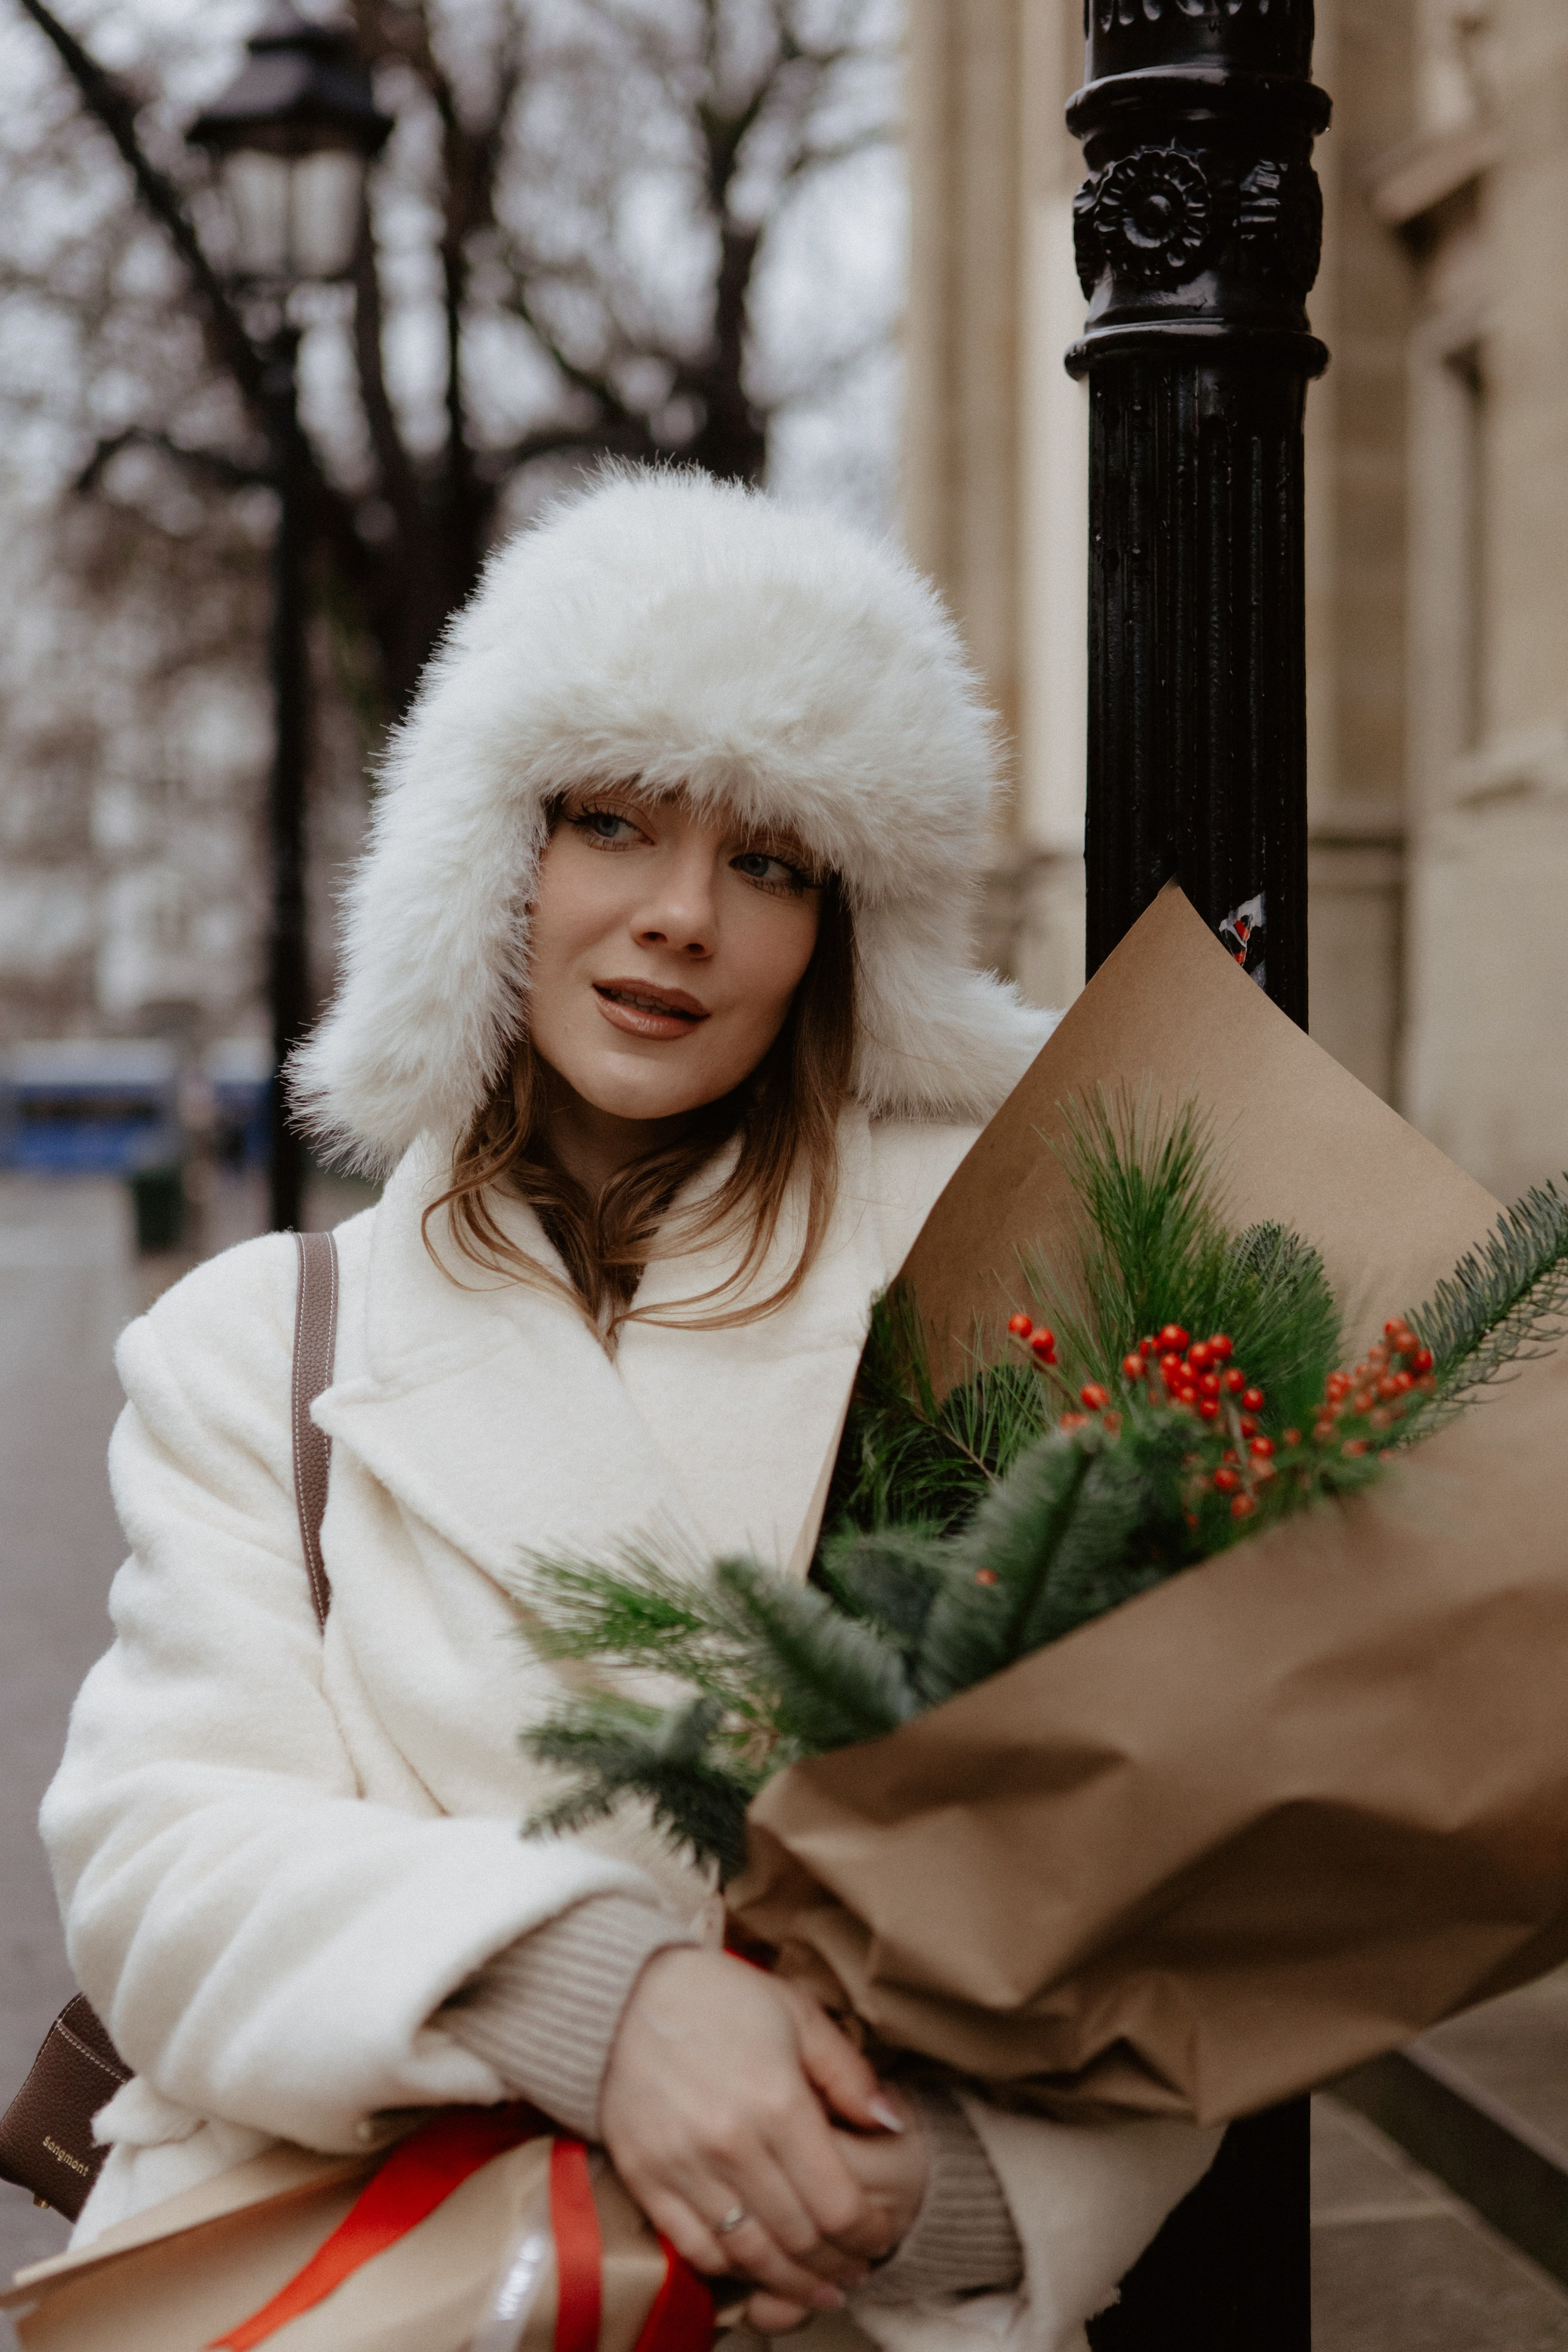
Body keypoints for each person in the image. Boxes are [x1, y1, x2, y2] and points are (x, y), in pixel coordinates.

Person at [41, 470, 1219, 2350]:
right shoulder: (262, 1343)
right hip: (388, 2278)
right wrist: (601, 1999)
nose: (681, 918)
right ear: (491, 857)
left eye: (768, 861)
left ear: (845, 931)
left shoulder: (989, 1307)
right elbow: (167, 1851)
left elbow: (1180, 1877)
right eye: (613, 822)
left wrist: (935, 2203)